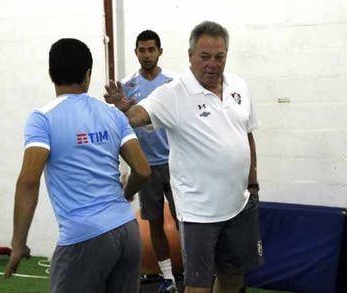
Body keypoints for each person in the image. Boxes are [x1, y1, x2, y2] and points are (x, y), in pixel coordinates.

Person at [105, 21, 263, 293]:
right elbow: (137, 116)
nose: (212, 64)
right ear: (190, 56)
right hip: (199, 213)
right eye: (204, 57)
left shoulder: (239, 86)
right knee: (197, 286)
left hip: (239, 205)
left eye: (219, 56)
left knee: (234, 278)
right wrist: (125, 105)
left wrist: (253, 184)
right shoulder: (173, 93)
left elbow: (247, 135)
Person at [4, 38, 151, 293]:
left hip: (84, 237)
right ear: (87, 75)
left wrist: (18, 243)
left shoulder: (42, 119)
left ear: (51, 74)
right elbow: (142, 170)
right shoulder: (114, 114)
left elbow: (28, 181)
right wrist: (125, 196)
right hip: (127, 231)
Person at [121, 29, 179, 292]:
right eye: (142, 50)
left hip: (177, 164)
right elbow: (121, 127)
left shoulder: (173, 83)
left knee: (185, 221)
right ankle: (168, 277)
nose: (146, 55)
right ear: (136, 53)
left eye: (151, 50)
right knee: (154, 222)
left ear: (160, 52)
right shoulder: (127, 86)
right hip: (146, 168)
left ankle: (193, 273)